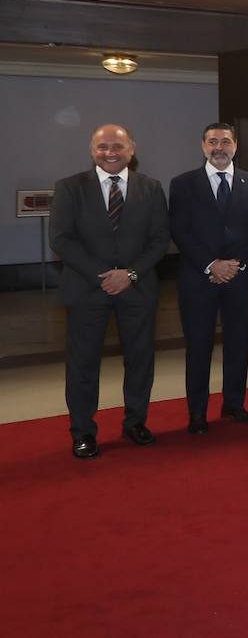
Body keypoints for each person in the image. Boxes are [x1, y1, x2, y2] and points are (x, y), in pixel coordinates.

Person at [50, 125, 170, 459]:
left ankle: (135, 423)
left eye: (117, 145)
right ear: (92, 150)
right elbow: (60, 239)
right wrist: (102, 276)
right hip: (87, 290)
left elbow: (160, 239)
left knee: (140, 361)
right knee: (82, 365)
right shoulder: (70, 188)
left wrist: (130, 274)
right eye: (102, 147)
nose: (110, 152)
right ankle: (83, 432)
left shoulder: (151, 188)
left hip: (138, 288)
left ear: (132, 148)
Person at [168, 122, 248, 434]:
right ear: (202, 146)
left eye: (225, 141)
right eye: (212, 141)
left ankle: (234, 404)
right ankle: (197, 412)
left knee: (238, 344)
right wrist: (211, 264)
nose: (219, 147)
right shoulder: (183, 184)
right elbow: (180, 231)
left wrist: (236, 264)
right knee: (199, 347)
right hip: (199, 279)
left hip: (240, 277)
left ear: (235, 145)